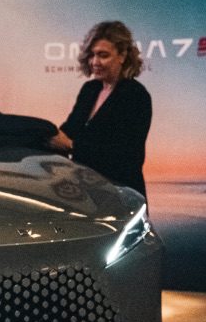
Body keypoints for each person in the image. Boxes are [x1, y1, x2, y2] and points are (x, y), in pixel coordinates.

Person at [49, 20, 153, 196]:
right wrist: (47, 135)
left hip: (120, 192)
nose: (95, 62)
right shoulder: (89, 89)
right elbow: (70, 128)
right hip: (86, 189)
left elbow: (126, 155)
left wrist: (72, 145)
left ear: (122, 56)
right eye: (92, 55)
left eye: (103, 55)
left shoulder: (136, 96)